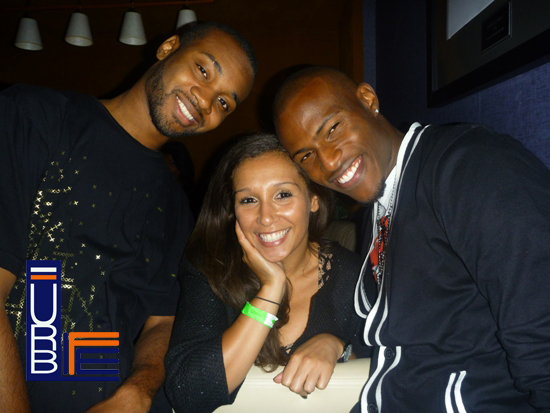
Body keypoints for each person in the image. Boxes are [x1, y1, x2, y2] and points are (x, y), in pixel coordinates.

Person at [0, 22, 256, 413]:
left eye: (224, 103)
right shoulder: (35, 117)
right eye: (203, 70)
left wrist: (138, 390)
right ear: (168, 47)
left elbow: (162, 322)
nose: (205, 101)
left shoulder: (175, 206)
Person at [273, 66, 550, 413]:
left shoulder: (472, 165)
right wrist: (336, 343)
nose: (328, 162)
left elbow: (541, 337)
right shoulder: (380, 205)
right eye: (306, 156)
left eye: (333, 128)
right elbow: (401, 340)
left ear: (368, 100)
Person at [164, 134, 372, 413]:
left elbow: (392, 371)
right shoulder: (209, 269)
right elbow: (188, 394)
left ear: (313, 199)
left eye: (283, 195)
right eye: (248, 199)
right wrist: (270, 290)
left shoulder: (354, 276)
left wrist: (338, 347)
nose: (265, 217)